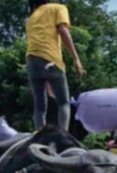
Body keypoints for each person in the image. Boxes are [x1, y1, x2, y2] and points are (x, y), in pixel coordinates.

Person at [25, 0, 85, 131]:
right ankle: (63, 135)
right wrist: (76, 59)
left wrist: (46, 80)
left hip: (31, 61)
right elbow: (63, 31)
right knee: (63, 102)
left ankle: (39, 135)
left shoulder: (30, 19)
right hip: (50, 59)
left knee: (40, 105)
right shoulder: (58, 8)